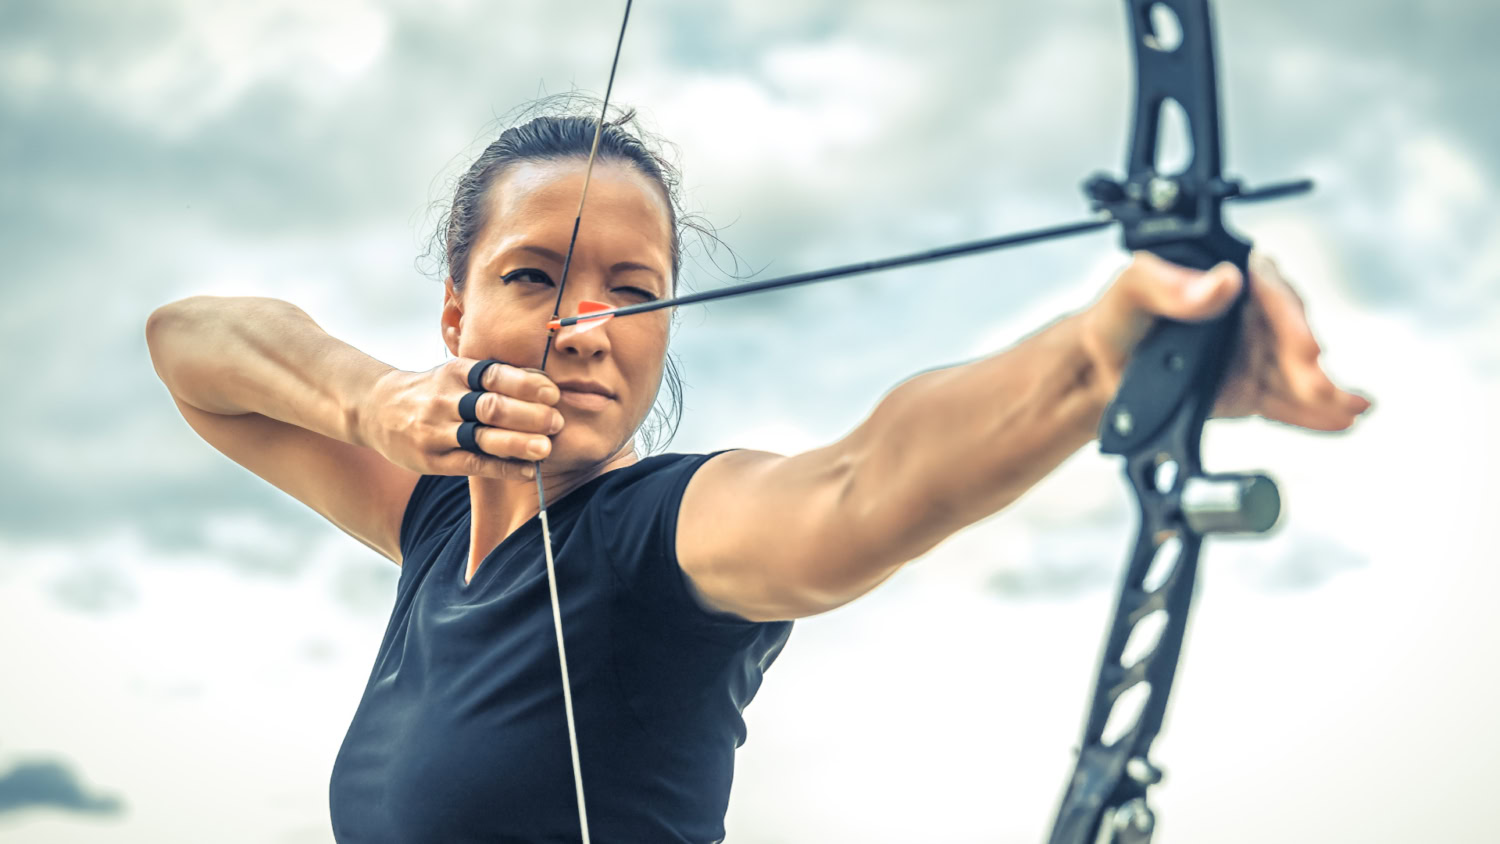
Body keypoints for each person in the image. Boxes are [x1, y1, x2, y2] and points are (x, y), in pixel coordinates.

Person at [144, 102, 1371, 843]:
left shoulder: (658, 538)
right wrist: (372, 397)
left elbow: (859, 486)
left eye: (636, 291)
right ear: (455, 311)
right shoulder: (427, 530)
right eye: (535, 277)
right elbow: (188, 348)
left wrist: (1106, 354)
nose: (589, 325)